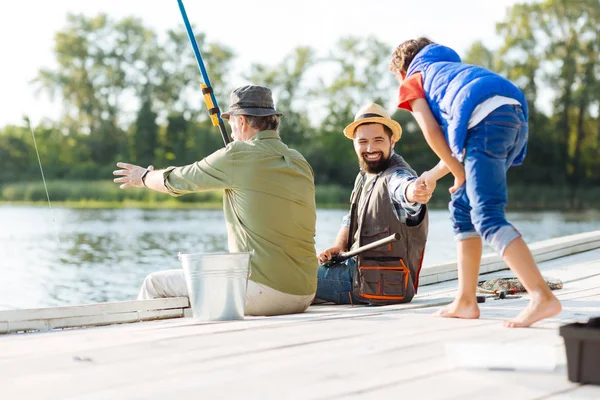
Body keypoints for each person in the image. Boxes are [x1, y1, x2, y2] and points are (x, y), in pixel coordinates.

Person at [389, 37, 562, 327]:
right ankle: (466, 300)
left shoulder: (414, 78)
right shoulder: (451, 71)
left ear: (402, 70)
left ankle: (541, 296)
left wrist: (458, 172)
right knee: (463, 206)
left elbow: (432, 132)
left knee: (487, 216)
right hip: (511, 115)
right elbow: (462, 142)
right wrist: (434, 175)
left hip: (485, 122)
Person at [113, 85, 318, 316]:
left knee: (155, 283)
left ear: (241, 122)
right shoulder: (299, 161)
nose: (231, 132)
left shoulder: (236, 155)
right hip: (305, 293)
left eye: (231, 124)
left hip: (265, 294)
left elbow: (177, 181)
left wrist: (143, 177)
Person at [316, 103, 432, 306]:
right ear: (354, 143)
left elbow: (403, 189)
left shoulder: (397, 175)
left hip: (380, 285)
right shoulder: (364, 175)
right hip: (357, 275)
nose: (370, 149)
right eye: (363, 141)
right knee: (295, 275)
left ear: (392, 140)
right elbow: (351, 218)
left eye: (378, 140)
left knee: (290, 278)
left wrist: (414, 192)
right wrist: (339, 246)